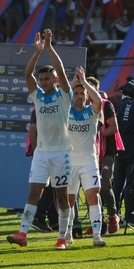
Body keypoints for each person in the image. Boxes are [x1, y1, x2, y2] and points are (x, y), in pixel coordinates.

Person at [7, 29, 72, 250]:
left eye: (47, 79)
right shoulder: (38, 96)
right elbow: (27, 75)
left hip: (62, 152)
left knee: (61, 198)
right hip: (42, 153)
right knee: (34, 192)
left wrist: (50, 47)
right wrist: (37, 52)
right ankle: (23, 233)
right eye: (41, 79)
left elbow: (62, 71)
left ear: (54, 80)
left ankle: (62, 238)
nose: (42, 82)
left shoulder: (64, 95)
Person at [65, 67, 106, 247]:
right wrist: (74, 84)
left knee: (92, 195)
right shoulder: (66, 111)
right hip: (69, 162)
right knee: (69, 200)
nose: (80, 96)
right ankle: (66, 234)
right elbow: (63, 97)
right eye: (76, 93)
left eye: (82, 93)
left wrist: (85, 82)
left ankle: (96, 235)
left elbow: (98, 101)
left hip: (89, 161)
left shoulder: (92, 111)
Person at [86, 76, 123, 234]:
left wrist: (97, 135)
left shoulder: (106, 105)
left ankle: (113, 216)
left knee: (106, 184)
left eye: (90, 88)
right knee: (90, 187)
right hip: (88, 152)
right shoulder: (81, 107)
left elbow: (114, 127)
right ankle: (96, 223)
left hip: (107, 151)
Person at [113, 80, 134, 226]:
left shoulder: (119, 107)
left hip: (119, 150)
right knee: (131, 184)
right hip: (132, 151)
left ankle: (114, 215)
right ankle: (130, 217)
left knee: (118, 183)